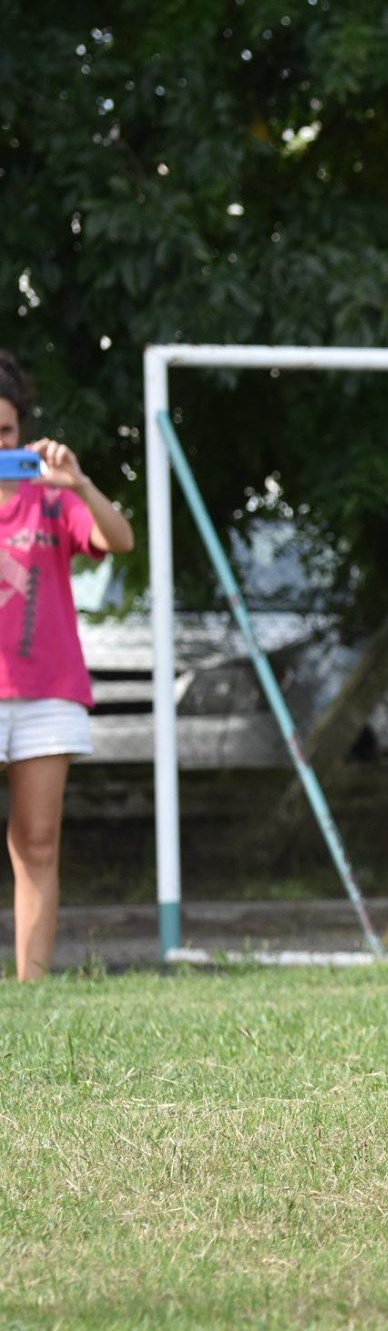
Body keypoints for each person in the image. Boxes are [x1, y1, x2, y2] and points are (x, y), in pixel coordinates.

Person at [0, 352, 135, 982]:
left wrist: (79, 483)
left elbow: (119, 540)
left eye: (3, 432)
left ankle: (31, 986)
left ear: (21, 430)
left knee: (37, 842)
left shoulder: (51, 497)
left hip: (47, 693)